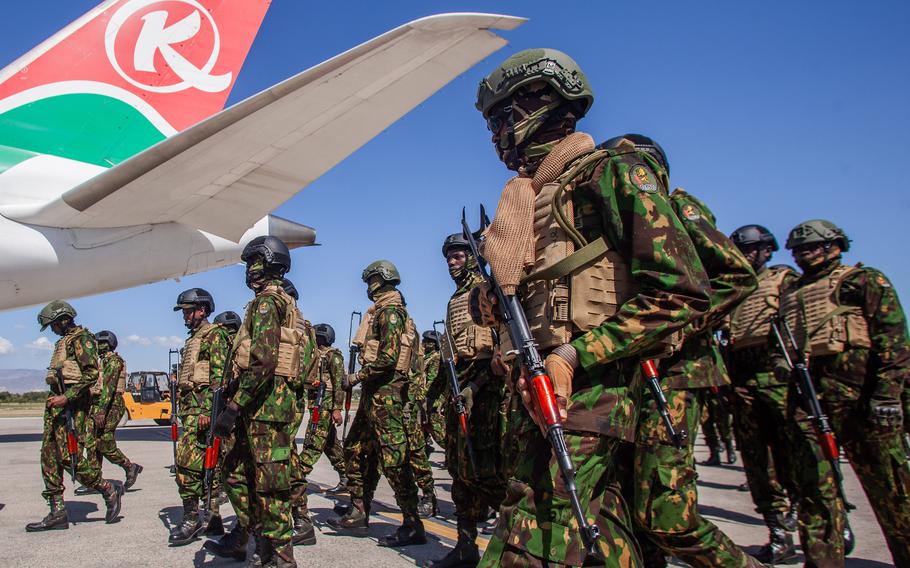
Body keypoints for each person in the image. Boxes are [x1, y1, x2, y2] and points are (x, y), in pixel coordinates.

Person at [470, 49, 712, 566]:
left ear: (544, 105)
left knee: (530, 541)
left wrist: (576, 355)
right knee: (606, 536)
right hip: (542, 389)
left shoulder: (611, 174)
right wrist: (488, 299)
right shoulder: (529, 197)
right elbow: (523, 290)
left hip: (596, 390)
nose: (496, 134)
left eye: (502, 118)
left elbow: (681, 292)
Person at [600, 135, 762, 568]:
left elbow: (737, 276)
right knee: (624, 512)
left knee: (668, 517)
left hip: (674, 372)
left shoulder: (675, 206)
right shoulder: (615, 219)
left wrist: (675, 325)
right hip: (631, 374)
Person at [780, 219, 910, 566]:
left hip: (861, 397)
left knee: (892, 490)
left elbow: (893, 340)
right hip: (809, 398)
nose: (803, 255)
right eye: (798, 250)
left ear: (835, 246)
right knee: (815, 491)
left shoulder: (863, 280)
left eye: (811, 248)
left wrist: (887, 395)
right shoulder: (791, 292)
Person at [329, 260, 426, 547]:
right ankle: (359, 510)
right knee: (355, 449)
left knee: (394, 460)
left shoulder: (391, 313)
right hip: (374, 395)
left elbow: (388, 359)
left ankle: (412, 524)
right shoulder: (380, 313)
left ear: (378, 281)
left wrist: (356, 377)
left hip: (388, 395)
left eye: (370, 281)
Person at [426, 233, 507, 568]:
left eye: (458, 256)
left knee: (490, 471)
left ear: (473, 257)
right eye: (449, 257)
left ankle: (508, 547)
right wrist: (434, 396)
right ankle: (465, 546)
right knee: (460, 471)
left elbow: (501, 346)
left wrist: (477, 387)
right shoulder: (455, 299)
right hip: (460, 388)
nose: (451, 262)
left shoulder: (489, 289)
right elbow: (451, 353)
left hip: (487, 391)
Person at [726, 224, 801, 563]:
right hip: (742, 378)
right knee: (757, 461)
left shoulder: (783, 281)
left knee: (799, 458)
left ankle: (826, 523)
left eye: (753, 249)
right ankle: (779, 532)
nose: (746, 255)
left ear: (767, 251)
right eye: (742, 250)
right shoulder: (733, 286)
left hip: (781, 378)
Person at [26, 301, 122, 531]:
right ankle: (57, 511)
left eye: (53, 325)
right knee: (48, 459)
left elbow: (91, 374)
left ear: (64, 319)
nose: (52, 330)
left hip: (73, 409)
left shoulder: (82, 339)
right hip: (56, 410)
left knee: (72, 460)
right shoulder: (64, 342)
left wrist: (66, 397)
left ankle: (106, 488)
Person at [169, 288, 231, 545]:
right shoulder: (193, 339)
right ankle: (213, 520)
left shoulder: (214, 335)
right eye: (183, 311)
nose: (185, 316)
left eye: (188, 311)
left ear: (202, 310)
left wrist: (208, 411)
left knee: (186, 468)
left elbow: (220, 377)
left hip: (203, 413)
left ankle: (193, 518)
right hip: (190, 411)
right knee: (208, 469)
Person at [298, 324, 347, 506]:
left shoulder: (334, 356)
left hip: (325, 406)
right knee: (330, 444)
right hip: (315, 404)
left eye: (317, 338)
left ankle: (299, 475)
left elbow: (339, 383)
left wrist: (336, 409)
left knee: (314, 442)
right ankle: (347, 476)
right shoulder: (314, 356)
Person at [88, 330, 143, 490]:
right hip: (101, 404)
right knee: (93, 443)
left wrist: (101, 411)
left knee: (104, 442)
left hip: (111, 405)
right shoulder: (102, 362)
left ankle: (129, 466)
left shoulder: (113, 361)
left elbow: (109, 389)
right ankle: (94, 480)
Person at [421, 330, 446, 453]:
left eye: (427, 341)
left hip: (432, 399)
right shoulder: (426, 357)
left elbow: (432, 380)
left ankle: (454, 451)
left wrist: (425, 398)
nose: (423, 343)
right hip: (425, 398)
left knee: (438, 431)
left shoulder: (436, 358)